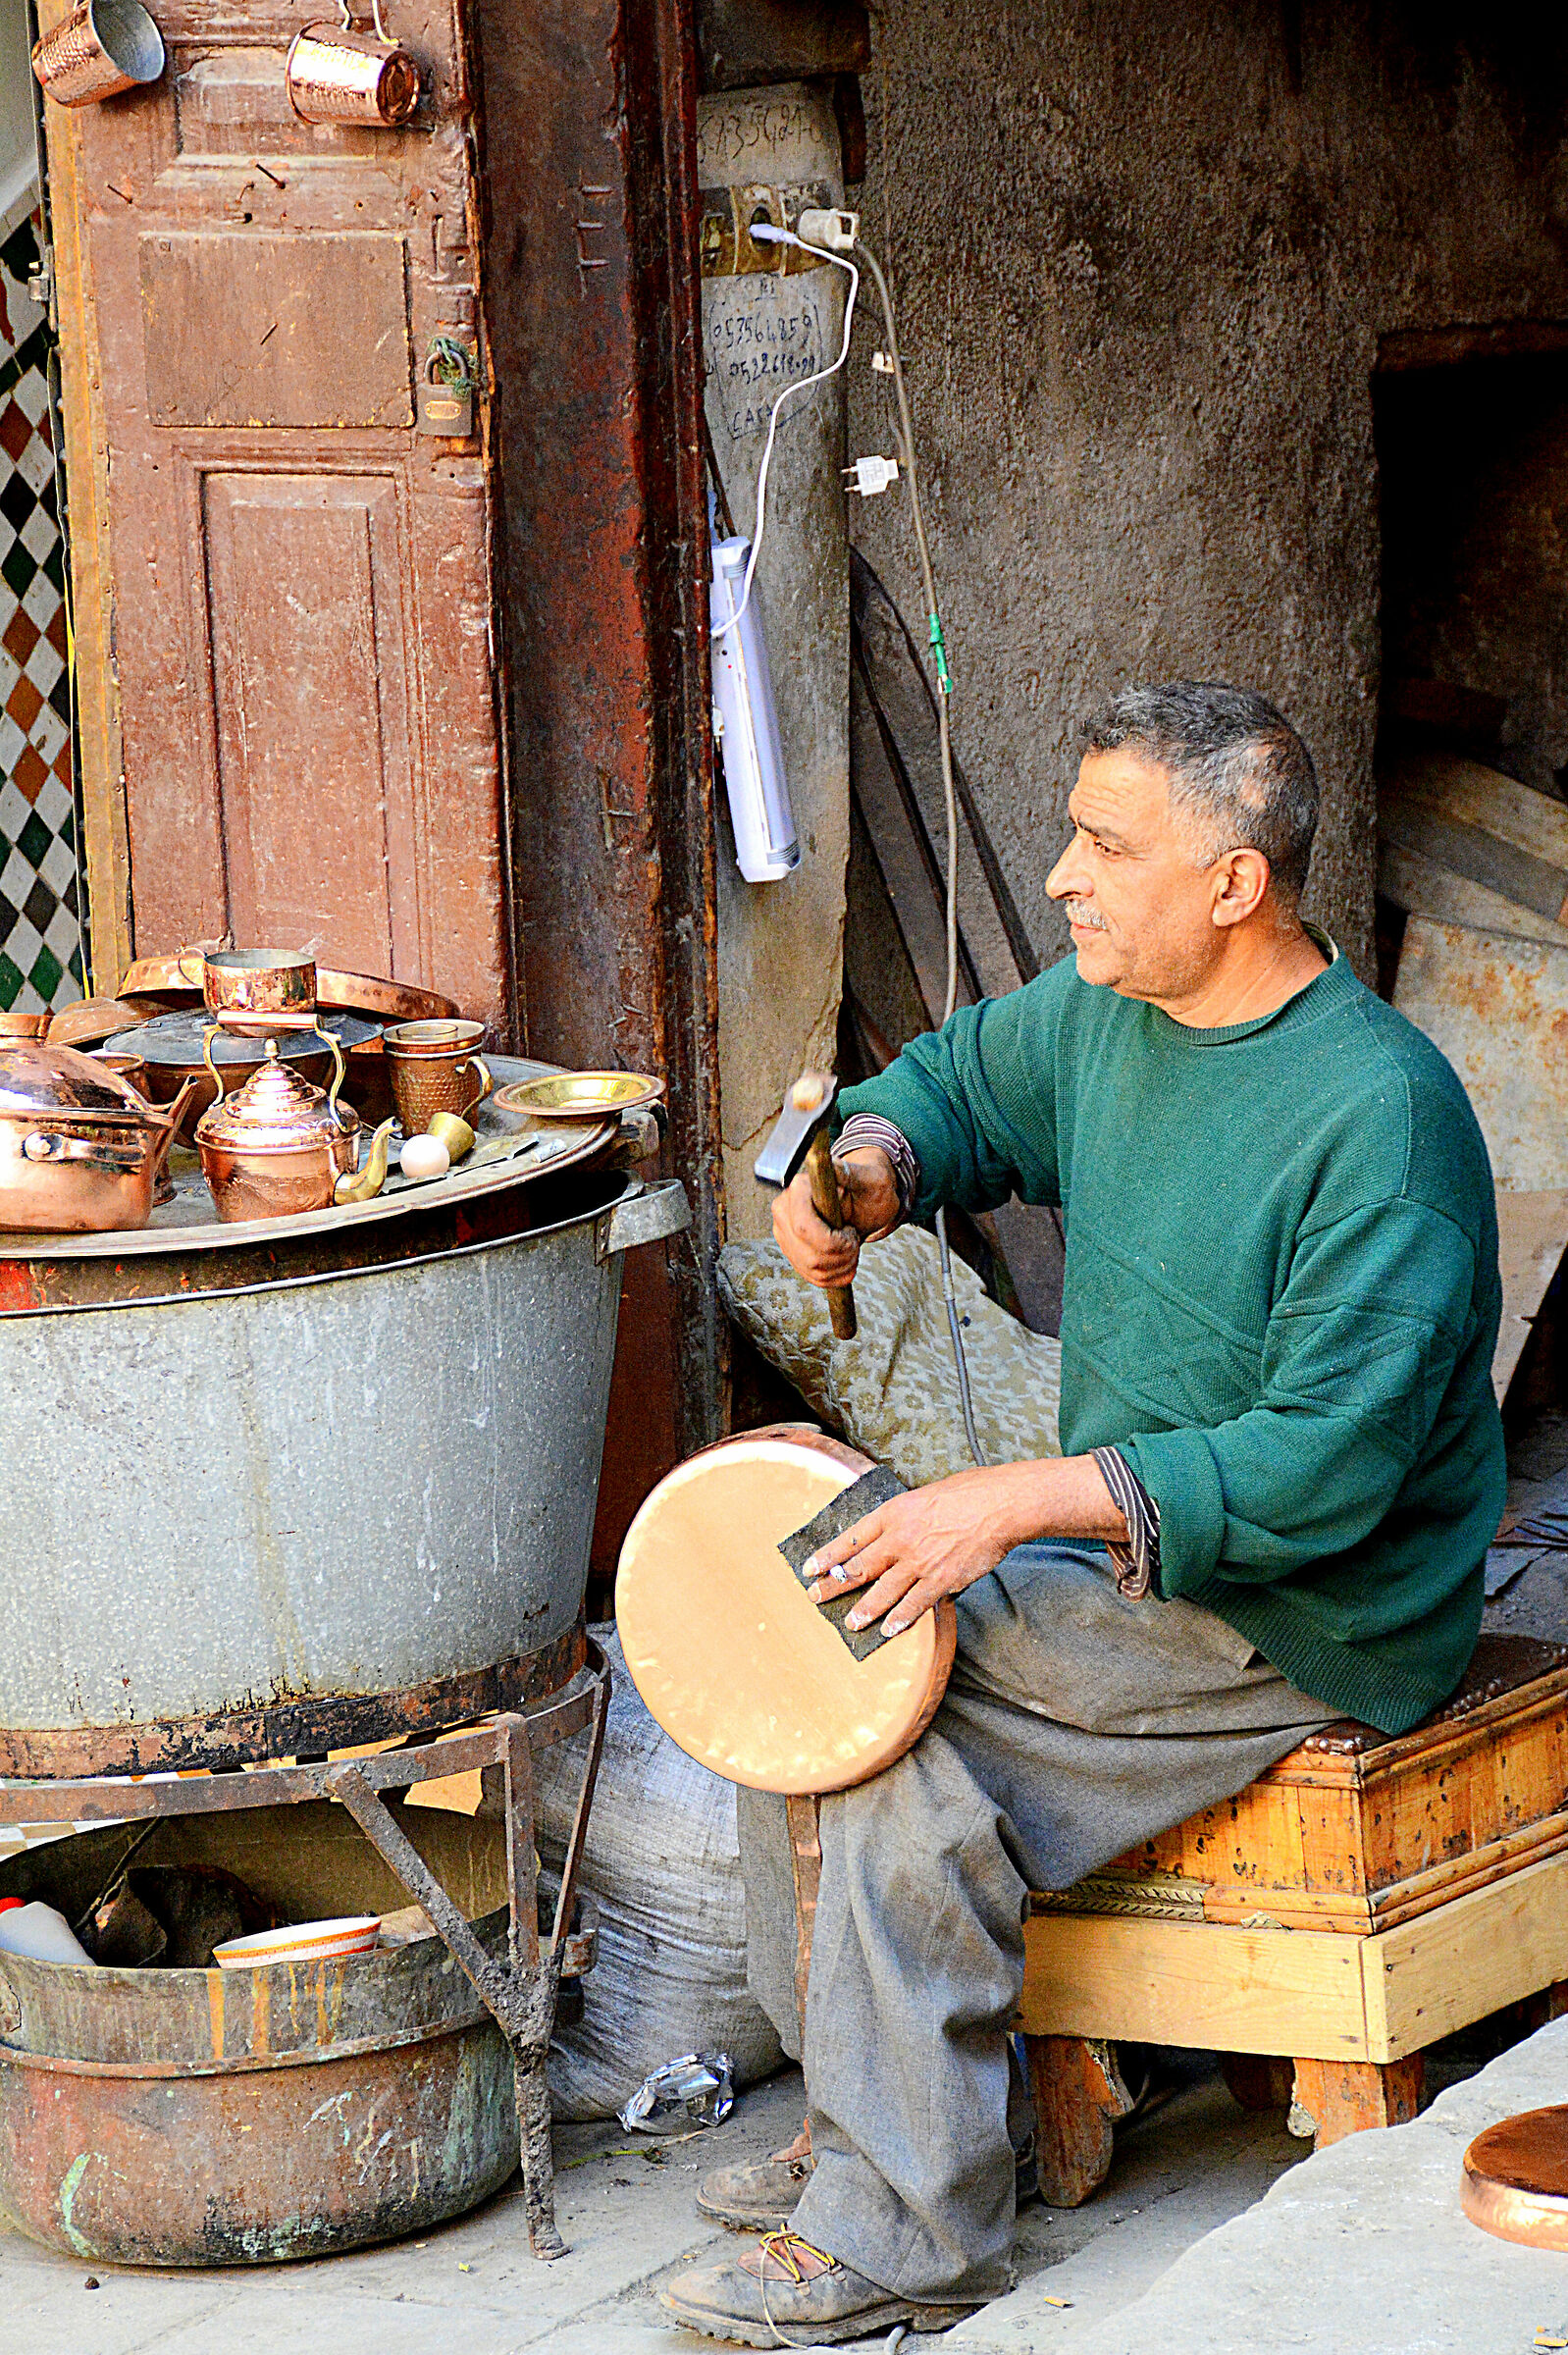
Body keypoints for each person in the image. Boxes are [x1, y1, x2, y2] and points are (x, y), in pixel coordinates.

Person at [659, 682, 1506, 2348]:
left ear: (1232, 885)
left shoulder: (1377, 1117)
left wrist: (1021, 1502)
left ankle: (901, 2228)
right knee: (808, 1629)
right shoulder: (1108, 1013)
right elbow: (963, 1085)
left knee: (892, 1712)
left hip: (1306, 1608)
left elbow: (1326, 1467)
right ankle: (863, 2121)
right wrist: (864, 1170)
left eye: (1104, 845)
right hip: (1124, 1558)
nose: (1061, 874)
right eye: (1066, 834)